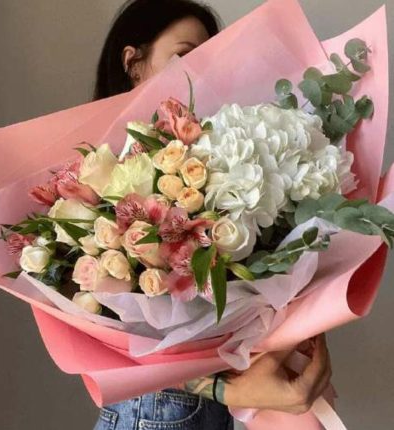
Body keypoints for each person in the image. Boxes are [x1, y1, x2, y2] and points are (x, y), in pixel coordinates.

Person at [92, 1, 332, 429]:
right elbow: (106, 350)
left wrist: (290, 341)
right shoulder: (101, 172)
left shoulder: (216, 163)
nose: (199, 71)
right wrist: (225, 390)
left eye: (208, 58)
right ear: (133, 63)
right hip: (153, 413)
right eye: (185, 55)